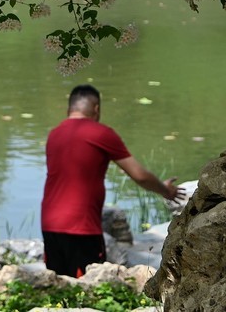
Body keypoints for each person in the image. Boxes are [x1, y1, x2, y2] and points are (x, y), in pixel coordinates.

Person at [41, 84, 183, 278]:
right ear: (97, 108)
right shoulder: (101, 133)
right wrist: (166, 190)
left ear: (69, 108)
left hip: (50, 223)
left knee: (58, 287)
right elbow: (139, 175)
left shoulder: (54, 135)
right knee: (87, 289)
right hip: (82, 227)